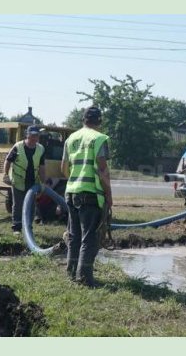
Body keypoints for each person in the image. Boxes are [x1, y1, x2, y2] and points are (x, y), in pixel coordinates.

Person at [61, 106, 113, 287]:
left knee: (74, 236)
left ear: (83, 120)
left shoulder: (71, 138)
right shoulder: (99, 139)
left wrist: (75, 182)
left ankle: (71, 272)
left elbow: (64, 168)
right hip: (90, 194)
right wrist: (109, 194)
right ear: (99, 122)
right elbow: (102, 169)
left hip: (71, 191)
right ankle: (84, 278)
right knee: (89, 237)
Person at [3, 125, 46, 234]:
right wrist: (5, 175)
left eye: (36, 136)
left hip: (33, 182)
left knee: (31, 205)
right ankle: (17, 228)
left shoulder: (40, 149)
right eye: (32, 135)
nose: (34, 138)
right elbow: (8, 161)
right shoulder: (18, 147)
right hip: (18, 180)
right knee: (18, 204)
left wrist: (43, 183)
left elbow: (42, 167)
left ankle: (28, 228)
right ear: (27, 135)